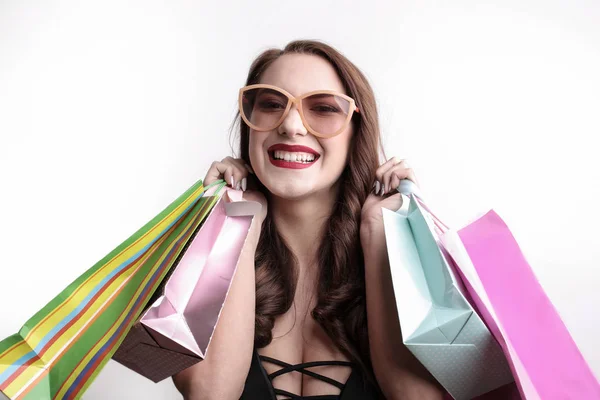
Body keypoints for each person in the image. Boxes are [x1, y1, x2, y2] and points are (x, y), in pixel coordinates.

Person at [172, 40, 445, 400]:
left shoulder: (411, 255)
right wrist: (237, 223)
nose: (291, 125)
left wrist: (378, 233)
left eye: (323, 108)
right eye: (271, 104)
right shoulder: (197, 256)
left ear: (355, 130)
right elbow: (209, 394)